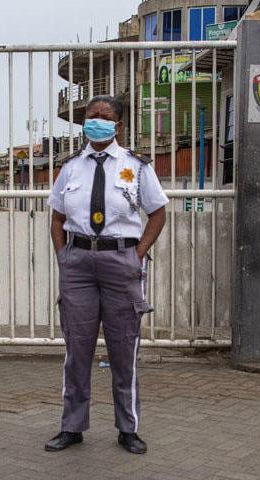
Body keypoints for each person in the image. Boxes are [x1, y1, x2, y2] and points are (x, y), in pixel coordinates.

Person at [45, 95, 168, 455]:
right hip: (78, 263)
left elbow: (158, 213)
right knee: (77, 350)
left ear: (119, 125)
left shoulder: (137, 167)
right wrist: (63, 257)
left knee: (124, 349)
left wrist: (137, 254)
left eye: (105, 116)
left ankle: (128, 428)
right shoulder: (70, 168)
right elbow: (56, 217)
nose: (96, 120)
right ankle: (71, 427)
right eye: (91, 115)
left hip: (120, 263)